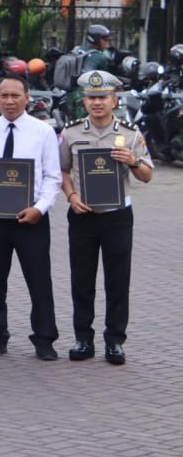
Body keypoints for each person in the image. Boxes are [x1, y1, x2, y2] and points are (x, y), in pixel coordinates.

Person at [60, 70, 153, 364]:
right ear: (84, 100)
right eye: (91, 97)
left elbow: (147, 175)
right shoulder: (71, 133)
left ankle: (114, 341)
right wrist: (71, 196)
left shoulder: (130, 133)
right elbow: (62, 170)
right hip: (82, 215)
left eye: (103, 97)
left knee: (117, 281)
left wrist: (133, 161)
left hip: (117, 217)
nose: (97, 102)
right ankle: (83, 339)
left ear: (114, 100)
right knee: (82, 280)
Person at [0, 74, 61, 360]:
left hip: (32, 216)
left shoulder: (43, 132)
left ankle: (44, 339)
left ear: (27, 97)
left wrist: (40, 208)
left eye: (15, 96)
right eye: (4, 96)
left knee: (39, 280)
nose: (9, 101)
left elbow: (52, 177)